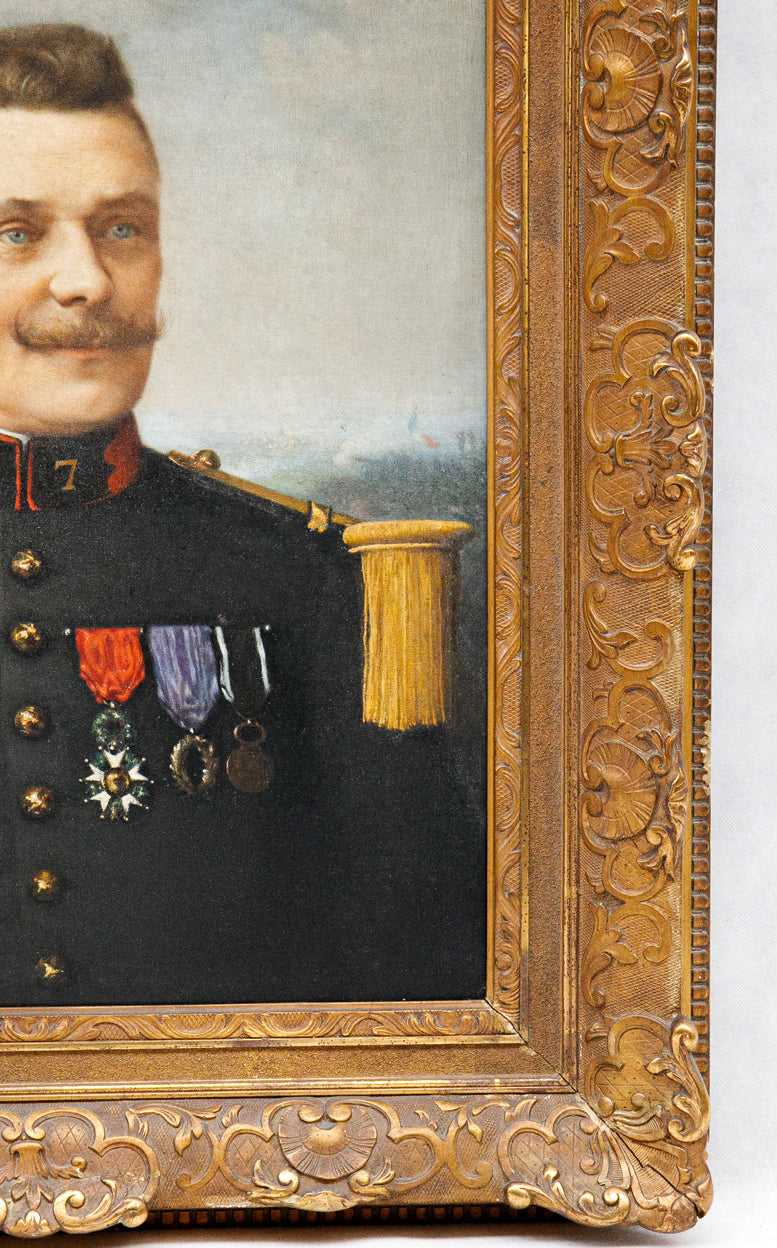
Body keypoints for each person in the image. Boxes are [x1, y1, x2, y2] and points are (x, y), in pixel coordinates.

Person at [0, 23, 485, 1007]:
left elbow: (422, 978)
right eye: (17, 231)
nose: (86, 280)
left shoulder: (303, 575)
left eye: (122, 227)